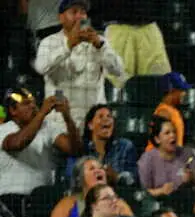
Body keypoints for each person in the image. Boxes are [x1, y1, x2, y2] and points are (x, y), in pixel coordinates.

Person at [34, 0, 126, 128]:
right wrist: (68, 46)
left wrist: (100, 46)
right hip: (59, 121)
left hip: (93, 122)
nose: (79, 17)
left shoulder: (100, 42)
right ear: (61, 18)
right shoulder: (49, 42)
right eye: (74, 12)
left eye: (83, 12)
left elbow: (119, 70)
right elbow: (41, 67)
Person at [0, 87, 80, 197]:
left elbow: (74, 149)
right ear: (13, 110)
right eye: (26, 103)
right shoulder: (4, 130)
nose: (33, 106)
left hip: (42, 199)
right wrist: (42, 113)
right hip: (10, 198)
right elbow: (17, 143)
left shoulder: (47, 127)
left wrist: (67, 116)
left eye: (33, 103)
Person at [47, 156, 133, 217]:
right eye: (92, 169)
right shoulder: (68, 203)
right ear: (79, 178)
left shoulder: (118, 204)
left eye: (101, 168)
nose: (98, 171)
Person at [138, 115, 195, 197]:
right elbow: (142, 192)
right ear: (157, 139)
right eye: (167, 133)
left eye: (174, 132)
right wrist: (160, 191)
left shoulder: (188, 154)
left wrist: (192, 179)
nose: (172, 135)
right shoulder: (147, 159)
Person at [71, 103, 136, 186]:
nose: (106, 119)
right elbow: (75, 179)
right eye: (100, 116)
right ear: (90, 125)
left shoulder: (125, 146)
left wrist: (117, 177)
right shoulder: (82, 148)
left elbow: (134, 179)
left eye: (109, 116)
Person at [146, 72, 190, 150]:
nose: (184, 93)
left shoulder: (172, 110)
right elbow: (162, 147)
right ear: (172, 90)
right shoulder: (164, 112)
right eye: (182, 90)